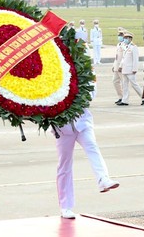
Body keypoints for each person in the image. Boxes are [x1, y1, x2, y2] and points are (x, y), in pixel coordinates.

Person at [54, 90, 120, 219]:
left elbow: (90, 94)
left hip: (83, 122)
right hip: (62, 126)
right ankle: (65, 206)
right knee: (64, 164)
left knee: (92, 147)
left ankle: (103, 179)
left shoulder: (88, 70)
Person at [117, 31, 143, 106]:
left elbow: (135, 59)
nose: (125, 39)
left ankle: (143, 97)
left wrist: (135, 68)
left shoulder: (133, 47)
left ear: (130, 39)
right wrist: (120, 66)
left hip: (131, 69)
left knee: (134, 84)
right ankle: (125, 100)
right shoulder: (125, 46)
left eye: (126, 38)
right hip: (125, 69)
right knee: (124, 85)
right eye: (124, 38)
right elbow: (124, 58)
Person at [112, 28, 125, 104]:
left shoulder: (125, 45)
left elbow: (124, 57)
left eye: (121, 35)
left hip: (122, 67)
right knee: (115, 81)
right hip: (117, 66)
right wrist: (114, 66)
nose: (119, 36)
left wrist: (121, 66)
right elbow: (117, 56)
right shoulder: (118, 44)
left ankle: (125, 98)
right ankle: (120, 96)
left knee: (124, 83)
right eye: (119, 35)